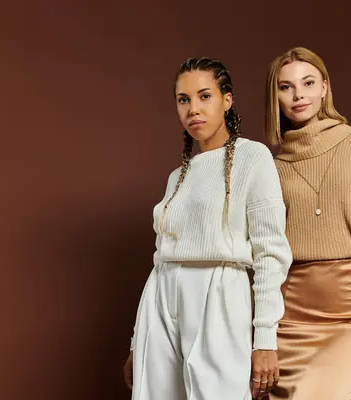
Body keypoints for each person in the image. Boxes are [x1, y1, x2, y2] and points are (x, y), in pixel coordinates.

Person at [122, 57, 293, 400]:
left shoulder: (252, 158)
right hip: (161, 293)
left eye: (204, 96)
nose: (193, 109)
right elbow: (161, 258)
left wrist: (264, 339)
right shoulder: (178, 176)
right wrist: (138, 338)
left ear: (227, 100)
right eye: (183, 100)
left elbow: (270, 252)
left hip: (219, 291)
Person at [264, 47, 351, 399]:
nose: (298, 95)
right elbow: (264, 251)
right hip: (289, 314)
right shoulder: (270, 165)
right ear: (275, 97)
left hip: (350, 310)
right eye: (286, 87)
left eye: (308, 82)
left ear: (325, 87)